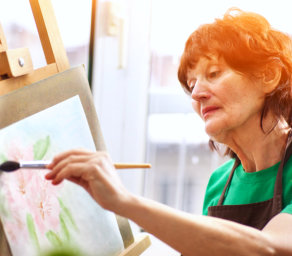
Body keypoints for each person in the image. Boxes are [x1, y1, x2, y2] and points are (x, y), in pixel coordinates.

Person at [46, 8, 292, 256]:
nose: (196, 94)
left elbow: (270, 249)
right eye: (192, 84)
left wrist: (123, 201)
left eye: (214, 73)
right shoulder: (220, 185)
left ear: (268, 75)